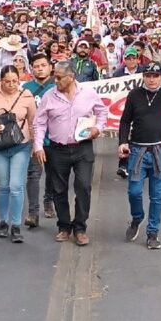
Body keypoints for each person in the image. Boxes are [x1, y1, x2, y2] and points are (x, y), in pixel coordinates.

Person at [33, 61, 107, 246]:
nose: (55, 80)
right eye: (54, 76)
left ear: (71, 77)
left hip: (82, 147)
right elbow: (39, 123)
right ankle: (64, 227)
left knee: (83, 187)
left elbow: (102, 111)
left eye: (59, 77)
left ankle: (80, 228)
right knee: (59, 189)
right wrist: (39, 146)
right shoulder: (49, 96)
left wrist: (97, 128)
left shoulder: (88, 93)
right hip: (57, 149)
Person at [119, 53, 161, 249]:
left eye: (156, 75)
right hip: (138, 150)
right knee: (134, 192)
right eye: (148, 75)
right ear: (143, 76)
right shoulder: (134, 95)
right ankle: (137, 217)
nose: (152, 79)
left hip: (159, 150)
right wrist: (122, 142)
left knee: (157, 196)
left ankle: (153, 232)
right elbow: (125, 121)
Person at [0, 65, 36, 242]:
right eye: (7, 81)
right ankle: (3, 222)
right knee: (4, 186)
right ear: (0, 81)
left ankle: (16, 225)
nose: (11, 85)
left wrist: (36, 144)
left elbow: (34, 122)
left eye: (15, 81)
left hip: (21, 145)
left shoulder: (26, 95)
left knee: (16, 186)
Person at [22, 54, 57, 226]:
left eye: (43, 65)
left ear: (50, 67)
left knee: (53, 173)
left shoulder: (58, 85)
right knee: (33, 175)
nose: (40, 68)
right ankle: (33, 213)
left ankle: (48, 199)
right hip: (34, 139)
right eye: (36, 66)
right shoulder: (26, 88)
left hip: (56, 139)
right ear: (31, 69)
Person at [112, 46, 147, 178]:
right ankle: (123, 165)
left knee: (139, 136)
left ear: (138, 59)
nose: (131, 60)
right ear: (124, 60)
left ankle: (139, 164)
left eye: (134, 58)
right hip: (123, 107)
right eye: (128, 58)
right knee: (124, 136)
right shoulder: (118, 74)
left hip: (142, 108)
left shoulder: (144, 71)